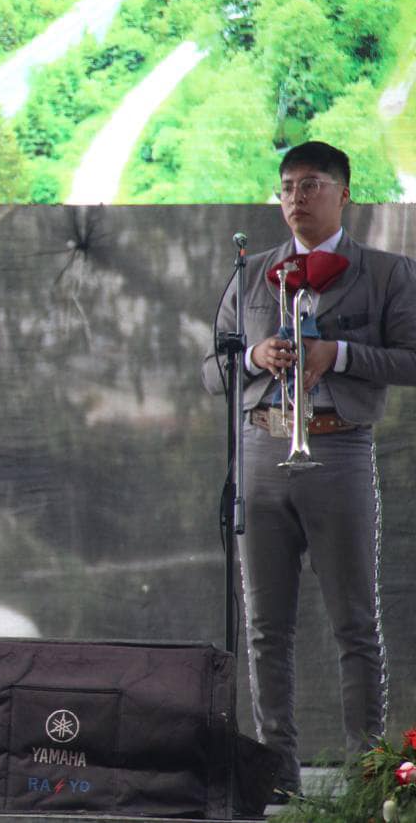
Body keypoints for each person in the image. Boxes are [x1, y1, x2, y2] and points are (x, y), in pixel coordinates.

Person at [202, 141, 416, 796]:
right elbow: (211, 370)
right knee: (265, 629)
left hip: (340, 448)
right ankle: (277, 779)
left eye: (312, 185)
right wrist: (252, 357)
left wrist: (341, 354)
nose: (296, 197)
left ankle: (365, 778)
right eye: (288, 187)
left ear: (344, 193)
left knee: (355, 623)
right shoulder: (254, 271)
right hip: (263, 449)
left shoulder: (385, 272)